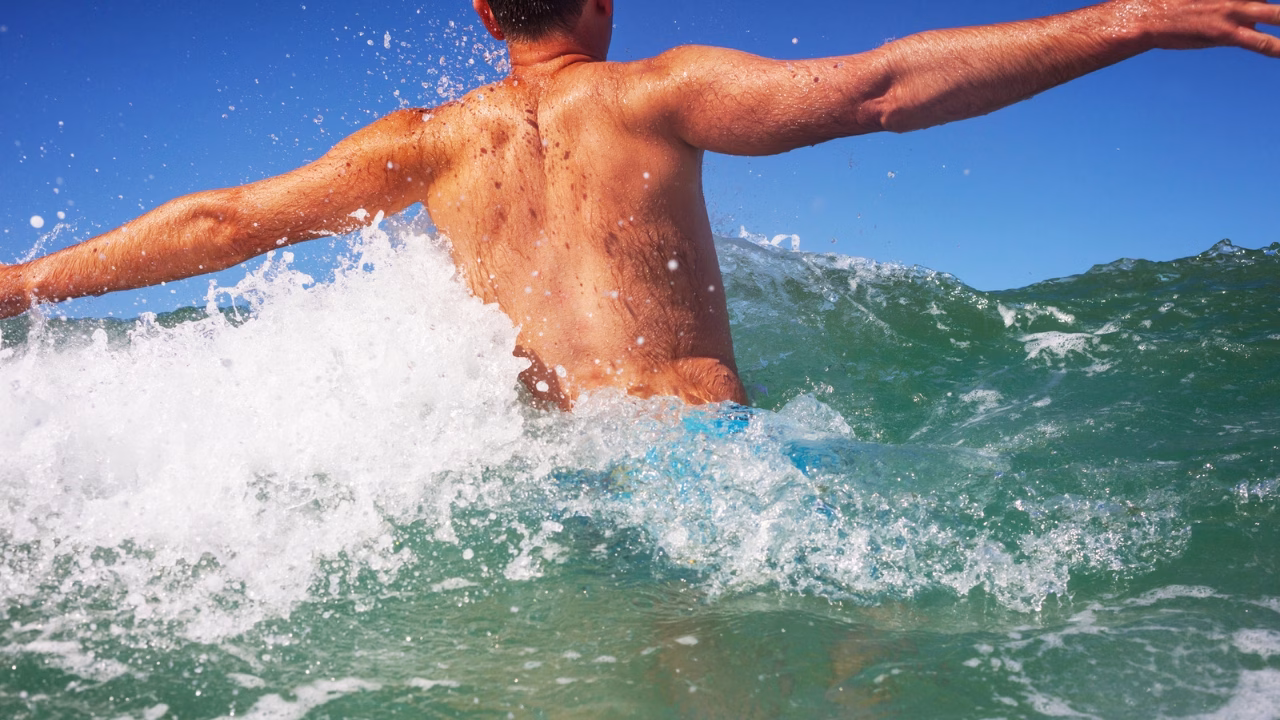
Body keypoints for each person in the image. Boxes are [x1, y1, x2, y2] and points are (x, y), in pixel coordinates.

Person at [1, 0, 1276, 409]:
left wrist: (16, 286)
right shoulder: (653, 93)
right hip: (697, 461)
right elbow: (878, 90)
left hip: (550, 482)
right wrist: (1131, 21)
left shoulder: (421, 146)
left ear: (485, 14)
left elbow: (223, 222)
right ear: (601, 2)